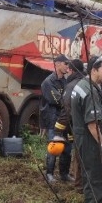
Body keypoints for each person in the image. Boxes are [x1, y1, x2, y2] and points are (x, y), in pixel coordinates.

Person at [70, 55, 102, 203]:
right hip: (89, 139)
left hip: (82, 137)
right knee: (95, 177)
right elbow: (93, 124)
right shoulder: (89, 91)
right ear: (94, 70)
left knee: (91, 176)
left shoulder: (81, 85)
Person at [41, 55, 75, 183]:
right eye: (66, 64)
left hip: (65, 120)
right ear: (58, 64)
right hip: (52, 119)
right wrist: (69, 102)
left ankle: (64, 174)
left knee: (67, 148)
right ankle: (49, 174)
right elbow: (58, 100)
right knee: (54, 147)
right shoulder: (48, 82)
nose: (67, 66)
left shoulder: (66, 82)